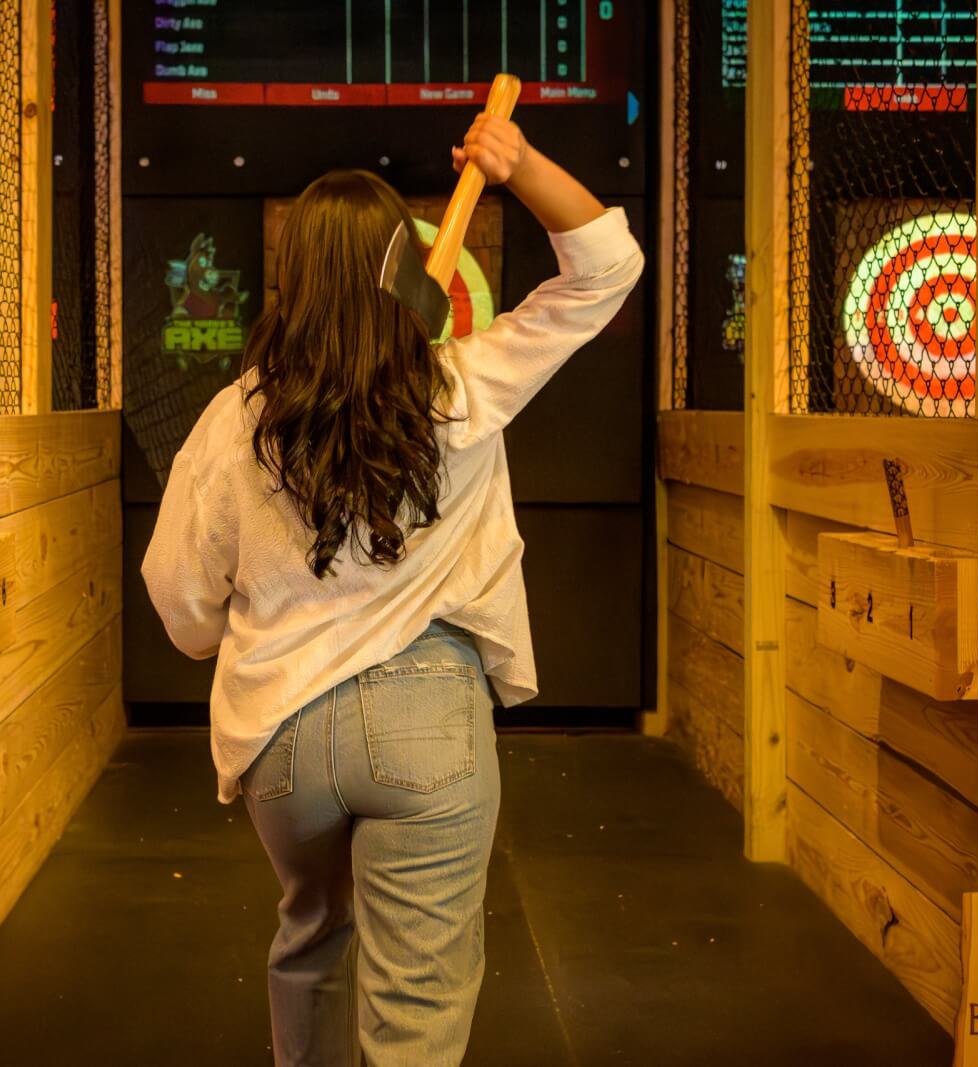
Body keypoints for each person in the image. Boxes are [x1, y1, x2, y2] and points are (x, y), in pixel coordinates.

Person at [142, 113, 644, 1066]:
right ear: (401, 268)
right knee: (415, 1010)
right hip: (430, 727)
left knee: (312, 942)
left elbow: (180, 601)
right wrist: (522, 164)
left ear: (295, 280)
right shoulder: (463, 386)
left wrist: (217, 632)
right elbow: (608, 268)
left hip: (282, 734)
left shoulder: (232, 417)